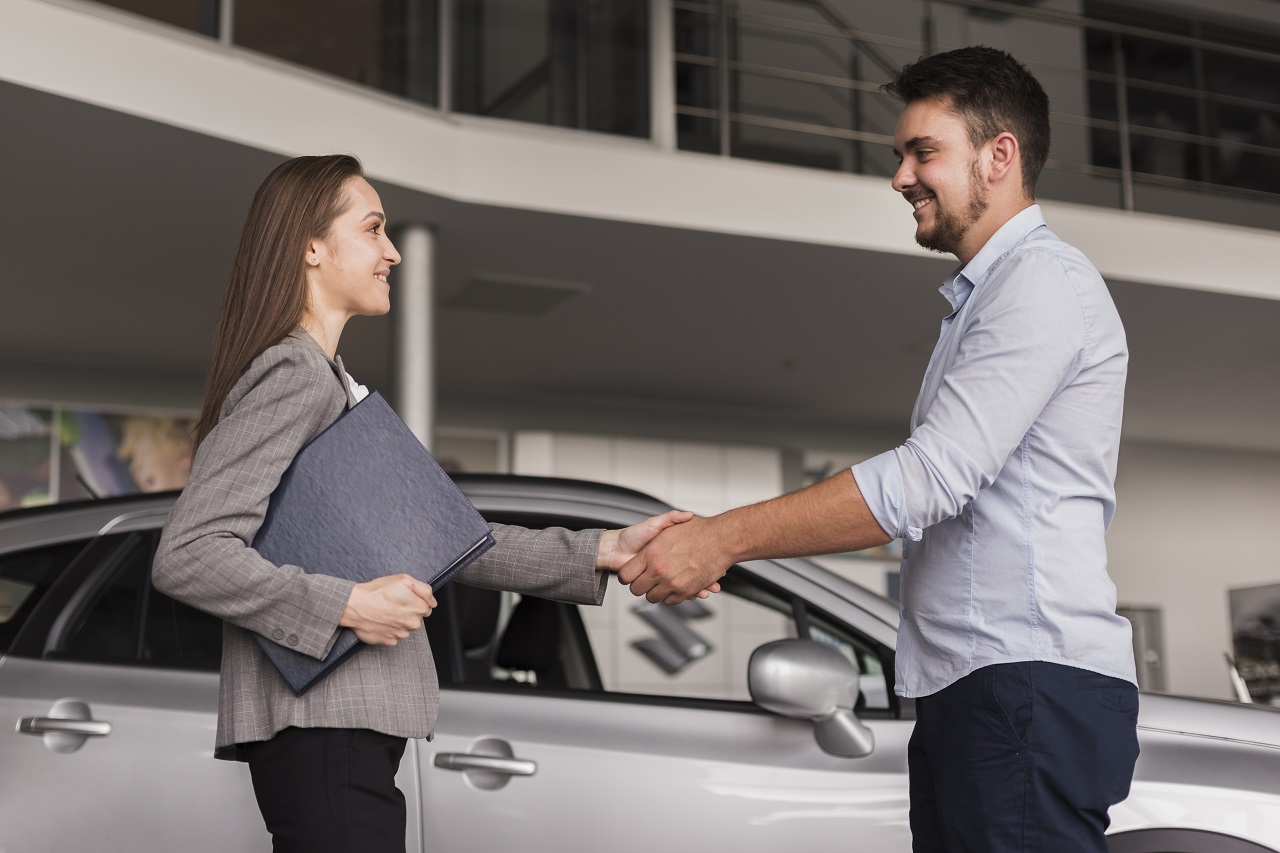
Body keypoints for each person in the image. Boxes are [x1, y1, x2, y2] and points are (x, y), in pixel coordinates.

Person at [618, 46, 1139, 853]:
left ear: (999, 156)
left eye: (922, 151)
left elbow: (928, 480)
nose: (900, 176)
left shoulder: (1042, 282)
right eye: (901, 155)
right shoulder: (984, 300)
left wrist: (721, 537)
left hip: (1025, 683)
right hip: (982, 687)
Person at [151, 154, 706, 853]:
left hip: (339, 729)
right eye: (374, 229)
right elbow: (189, 553)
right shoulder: (294, 373)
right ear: (311, 247)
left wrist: (604, 549)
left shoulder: (326, 380)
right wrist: (348, 606)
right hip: (326, 726)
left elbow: (447, 539)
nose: (392, 253)